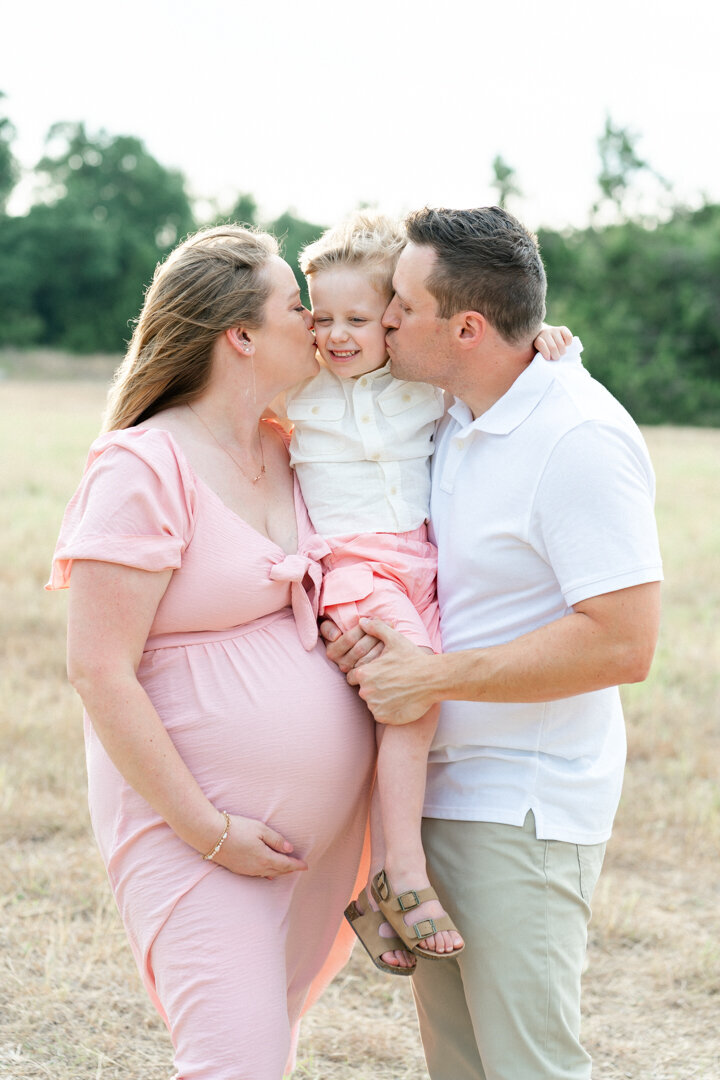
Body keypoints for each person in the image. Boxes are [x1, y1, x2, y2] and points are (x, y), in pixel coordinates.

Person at [323, 206, 663, 1080]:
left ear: (466, 327)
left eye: (401, 303)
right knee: (463, 1066)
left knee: (528, 1067)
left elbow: (622, 645)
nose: (384, 317)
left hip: (523, 808)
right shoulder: (450, 411)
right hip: (439, 801)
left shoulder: (578, 437)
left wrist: (429, 677)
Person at [46, 225, 376, 1080]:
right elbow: (97, 668)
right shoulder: (141, 465)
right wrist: (209, 830)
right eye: (296, 307)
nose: (314, 324)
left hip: (311, 848)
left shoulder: (290, 447)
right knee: (238, 1062)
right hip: (194, 834)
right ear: (240, 335)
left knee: (266, 1044)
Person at [287, 211, 569, 975]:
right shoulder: (298, 390)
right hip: (353, 568)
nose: (338, 335)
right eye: (322, 318)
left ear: (392, 322)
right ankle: (404, 873)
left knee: (411, 719)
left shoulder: (419, 393)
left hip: (420, 566)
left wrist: (544, 341)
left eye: (361, 317)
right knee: (412, 699)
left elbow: (491, 368)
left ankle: (374, 889)